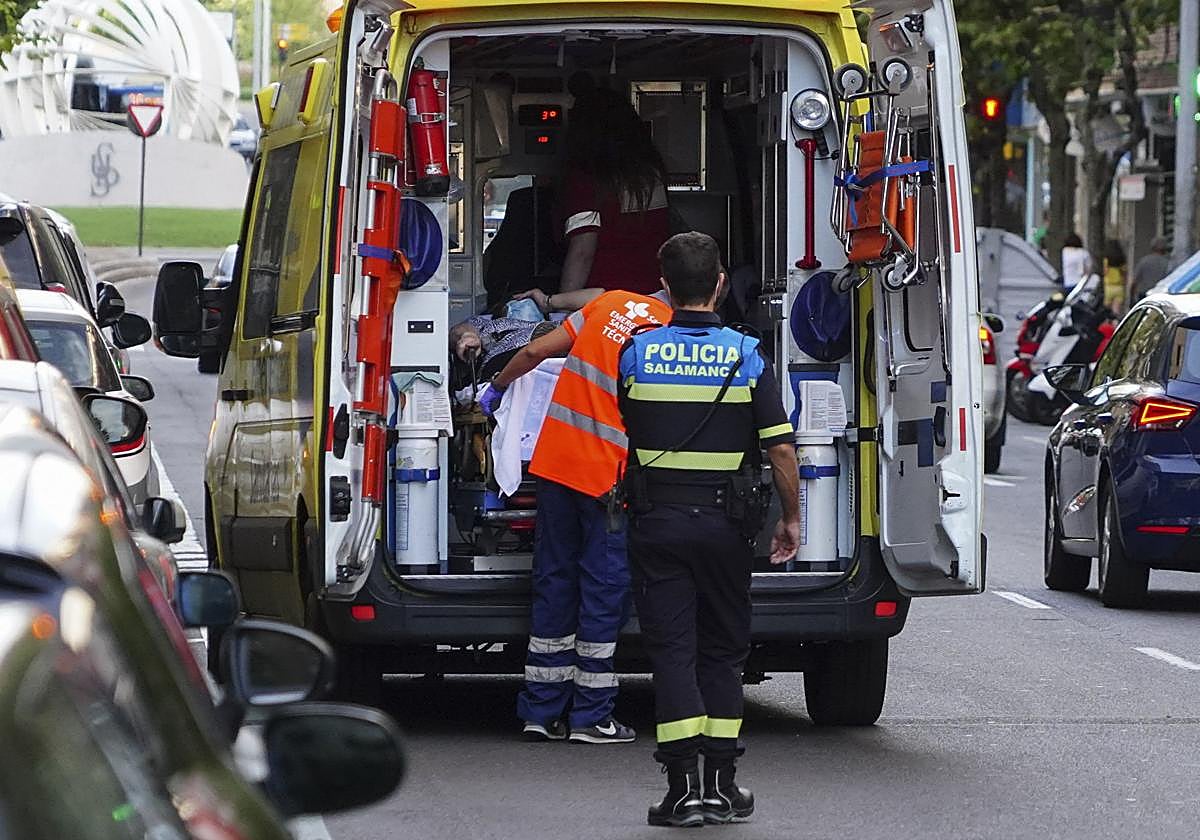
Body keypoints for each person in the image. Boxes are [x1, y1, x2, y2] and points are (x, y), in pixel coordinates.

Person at [616, 232, 801, 827]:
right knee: (722, 653)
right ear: (720, 283)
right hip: (725, 527)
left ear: (665, 287)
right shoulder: (747, 355)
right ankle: (722, 786)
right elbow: (781, 453)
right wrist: (791, 518)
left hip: (657, 523)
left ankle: (680, 794)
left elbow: (623, 429)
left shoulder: (636, 354)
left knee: (672, 653)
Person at [478, 286, 672, 744]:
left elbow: (532, 351)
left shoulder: (606, 304)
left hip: (556, 467)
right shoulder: (670, 331)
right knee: (603, 593)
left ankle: (540, 713)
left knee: (554, 581)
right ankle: (590, 716)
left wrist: (498, 388)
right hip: (608, 479)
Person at [558, 78, 670, 296]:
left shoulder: (586, 179)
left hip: (606, 303)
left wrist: (560, 306)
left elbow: (582, 251)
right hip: (656, 298)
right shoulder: (650, 174)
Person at [1131, 236, 1171, 301]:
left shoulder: (1144, 261)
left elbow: (1134, 281)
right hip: (1161, 295)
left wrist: (1132, 297)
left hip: (1145, 295)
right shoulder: (1168, 263)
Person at [1101, 239, 1127, 314]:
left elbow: (1105, 272)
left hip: (1109, 286)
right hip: (1119, 287)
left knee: (1107, 311)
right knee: (1116, 311)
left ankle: (1108, 324)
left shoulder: (1107, 260)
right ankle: (1115, 324)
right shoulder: (1122, 260)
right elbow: (1124, 273)